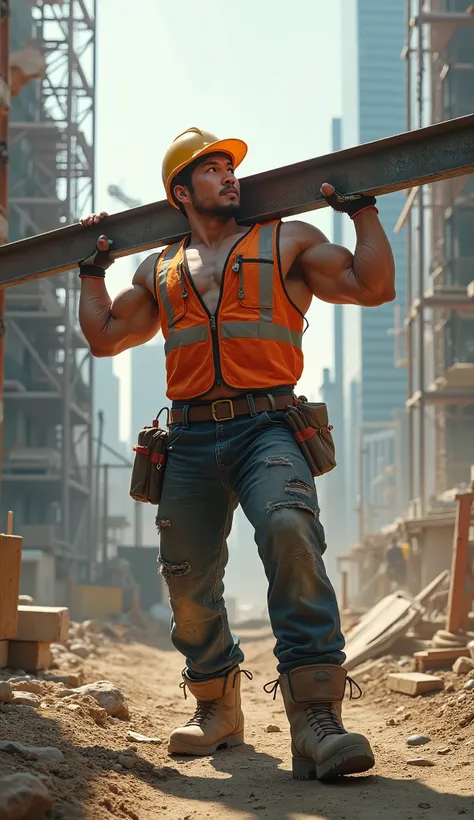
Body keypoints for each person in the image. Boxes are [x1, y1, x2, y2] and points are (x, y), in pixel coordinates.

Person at [79, 127, 395, 781]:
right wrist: (90, 273)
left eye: (232, 167)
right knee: (185, 577)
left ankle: (315, 718)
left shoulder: (288, 240)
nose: (231, 176)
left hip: (269, 425)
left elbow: (372, 285)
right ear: (180, 190)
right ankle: (216, 706)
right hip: (189, 438)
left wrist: (362, 211)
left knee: (289, 529)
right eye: (213, 168)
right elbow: (106, 337)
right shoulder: (159, 269)